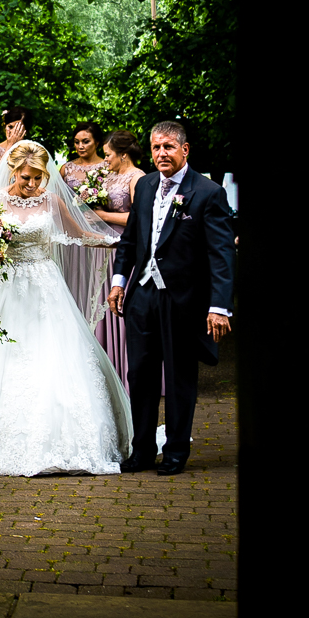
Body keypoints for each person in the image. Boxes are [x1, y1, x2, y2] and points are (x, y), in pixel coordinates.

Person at [0, 140, 134, 476]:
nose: (33, 184)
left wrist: (119, 240)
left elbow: (81, 233)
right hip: (6, 286)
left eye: (38, 177)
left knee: (53, 353)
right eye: (26, 177)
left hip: (45, 285)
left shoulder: (51, 200)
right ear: (13, 171)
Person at [107, 121, 236, 475]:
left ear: (184, 150)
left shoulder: (208, 192)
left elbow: (222, 255)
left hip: (184, 301)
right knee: (141, 376)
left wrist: (219, 307)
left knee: (179, 378)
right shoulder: (146, 186)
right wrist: (119, 282)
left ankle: (177, 452)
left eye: (168, 147)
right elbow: (131, 241)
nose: (161, 154)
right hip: (142, 297)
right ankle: (142, 451)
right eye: (156, 148)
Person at [86, 130, 146, 390]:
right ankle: (110, 368)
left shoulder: (138, 177)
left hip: (125, 248)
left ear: (123, 155)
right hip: (104, 247)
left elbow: (138, 218)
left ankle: (129, 368)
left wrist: (103, 215)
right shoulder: (108, 176)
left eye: (108, 155)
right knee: (103, 307)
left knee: (123, 305)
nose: (105, 159)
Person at [57, 121, 108, 325]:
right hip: (74, 234)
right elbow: (57, 200)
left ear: (97, 142)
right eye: (77, 142)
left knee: (97, 281)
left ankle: (99, 327)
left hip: (99, 230)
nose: (80, 146)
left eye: (85, 141)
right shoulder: (66, 169)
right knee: (75, 279)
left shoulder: (107, 167)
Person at [0, 106, 30, 179]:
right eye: (10, 127)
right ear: (5, 126)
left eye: (18, 128)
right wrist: (10, 147)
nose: (13, 132)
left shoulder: (32, 150)